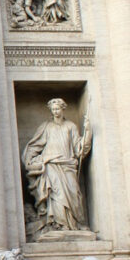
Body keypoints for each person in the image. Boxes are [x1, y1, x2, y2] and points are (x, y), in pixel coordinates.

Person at [22, 98, 91, 234]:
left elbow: (79, 148)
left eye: (58, 109)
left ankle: (74, 223)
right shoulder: (46, 127)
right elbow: (35, 145)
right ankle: (59, 224)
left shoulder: (71, 126)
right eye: (53, 109)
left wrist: (87, 132)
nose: (55, 111)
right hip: (51, 165)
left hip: (68, 165)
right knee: (56, 196)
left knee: (74, 195)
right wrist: (30, 159)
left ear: (63, 109)